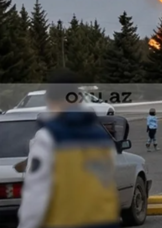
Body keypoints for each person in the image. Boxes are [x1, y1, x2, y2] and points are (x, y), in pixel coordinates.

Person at [18, 70, 119, 228]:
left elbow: (37, 192)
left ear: (50, 100)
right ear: (78, 98)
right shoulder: (102, 138)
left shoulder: (48, 137)